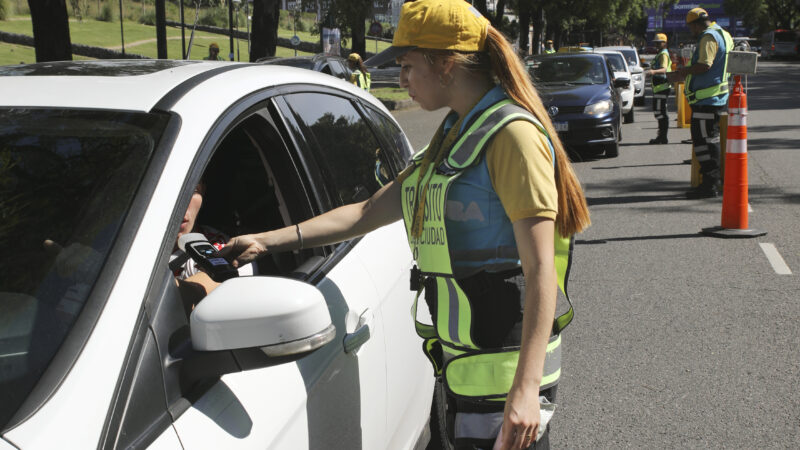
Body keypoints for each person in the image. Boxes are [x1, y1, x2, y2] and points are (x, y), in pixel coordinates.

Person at [221, 0, 590, 448]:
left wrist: (526, 391)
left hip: (505, 383)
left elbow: (541, 270)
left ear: (446, 64)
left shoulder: (512, 136)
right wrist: (266, 240)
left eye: (408, 66)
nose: (401, 81)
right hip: (466, 373)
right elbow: (365, 212)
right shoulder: (455, 135)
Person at [667, 7, 733, 199]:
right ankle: (711, 181)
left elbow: (705, 64)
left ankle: (709, 184)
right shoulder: (724, 34)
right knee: (708, 140)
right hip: (715, 98)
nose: (691, 32)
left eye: (691, 28)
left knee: (705, 142)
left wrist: (683, 72)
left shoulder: (708, 37)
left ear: (695, 25)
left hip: (707, 100)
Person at [646, 33, 673, 144]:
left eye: (658, 43)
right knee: (659, 112)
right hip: (659, 88)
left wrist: (653, 72)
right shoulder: (660, 54)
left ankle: (662, 137)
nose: (656, 45)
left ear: (664, 43)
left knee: (661, 113)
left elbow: (664, 69)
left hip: (662, 87)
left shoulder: (663, 54)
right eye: (656, 43)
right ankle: (662, 136)